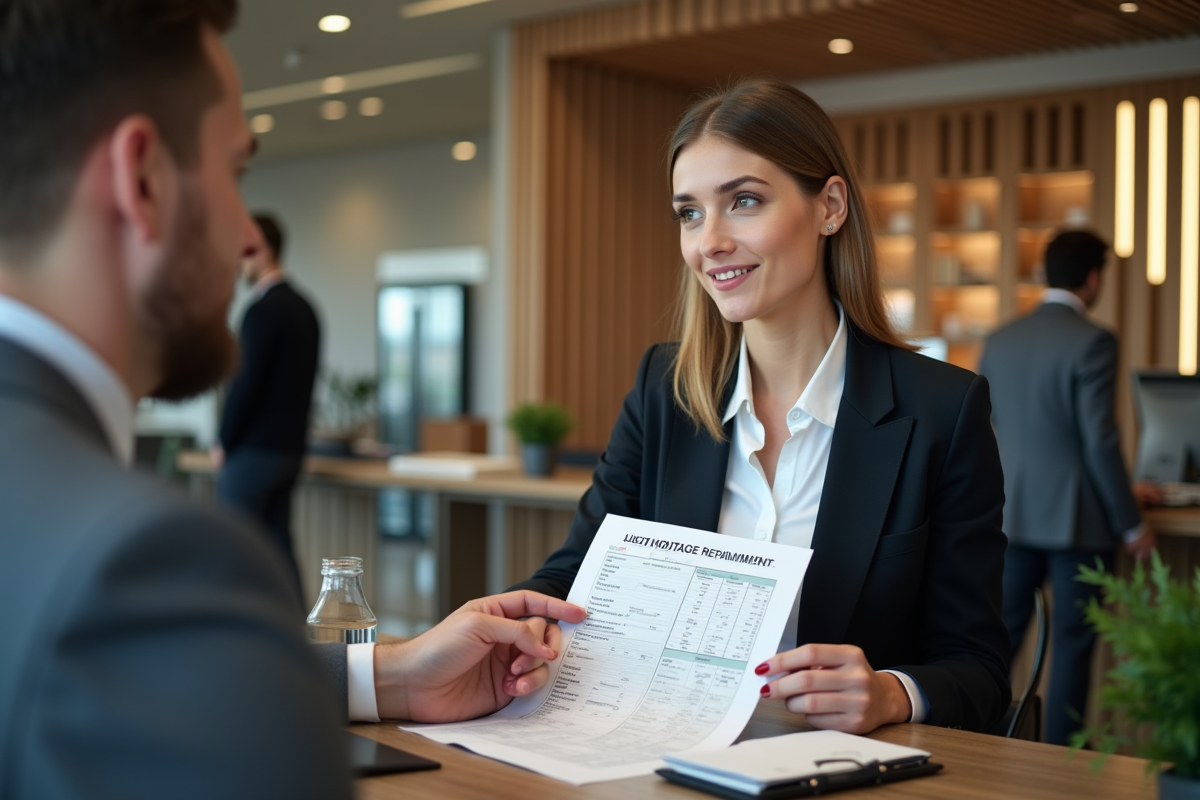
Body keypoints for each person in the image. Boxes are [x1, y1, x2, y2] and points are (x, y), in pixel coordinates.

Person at [0, 2, 583, 798]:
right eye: (235, 175)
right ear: (141, 180)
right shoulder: (140, 559)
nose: (246, 235)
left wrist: (394, 675)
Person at [511, 79, 1011, 735]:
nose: (709, 242)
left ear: (830, 206)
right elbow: (577, 574)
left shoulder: (942, 412)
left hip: (834, 771)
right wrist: (527, 618)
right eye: (689, 214)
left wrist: (891, 693)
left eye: (743, 201)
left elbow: (978, 671)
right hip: (658, 752)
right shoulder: (664, 390)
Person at [978, 229, 1154, 746]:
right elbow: (1099, 440)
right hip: (1080, 524)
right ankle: (1063, 765)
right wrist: (1133, 523)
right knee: (1074, 651)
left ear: (1045, 272)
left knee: (997, 647)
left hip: (1009, 518)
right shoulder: (1095, 339)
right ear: (1094, 277)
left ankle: (973, 748)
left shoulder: (1000, 338)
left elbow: (986, 428)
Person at [214, 211, 320, 598]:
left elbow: (245, 385)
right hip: (290, 452)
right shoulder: (306, 309)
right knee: (279, 546)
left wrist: (224, 439)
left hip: (253, 453)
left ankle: (228, 638)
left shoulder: (262, 311)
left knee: (229, 547)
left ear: (260, 250)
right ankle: (297, 640)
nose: (239, 264)